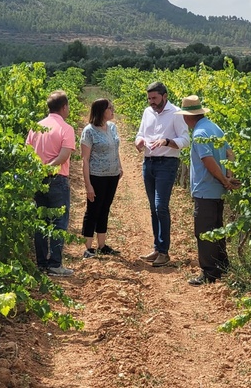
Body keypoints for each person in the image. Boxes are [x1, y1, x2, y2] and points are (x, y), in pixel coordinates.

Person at [175, 95, 241, 285]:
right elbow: (230, 153)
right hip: (218, 190)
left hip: (206, 189)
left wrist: (223, 180)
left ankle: (210, 273)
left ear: (187, 117)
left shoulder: (199, 134)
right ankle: (222, 265)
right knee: (217, 228)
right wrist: (228, 176)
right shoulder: (215, 128)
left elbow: (208, 161)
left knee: (204, 232)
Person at [134, 82, 190, 267]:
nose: (151, 102)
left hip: (167, 164)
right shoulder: (147, 112)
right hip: (148, 162)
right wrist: (139, 141)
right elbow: (140, 134)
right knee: (153, 208)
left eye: (155, 98)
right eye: (149, 98)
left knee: (161, 207)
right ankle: (157, 248)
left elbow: (185, 140)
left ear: (164, 96)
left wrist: (167, 142)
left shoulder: (176, 113)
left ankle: (164, 252)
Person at [26, 90, 76, 277]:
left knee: (40, 222)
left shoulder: (36, 127)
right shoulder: (66, 128)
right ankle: (55, 264)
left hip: (37, 180)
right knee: (58, 223)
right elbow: (63, 157)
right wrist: (48, 167)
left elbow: (28, 154)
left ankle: (41, 263)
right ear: (64, 107)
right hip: (57, 180)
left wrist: (38, 170)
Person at [80, 98, 123, 258]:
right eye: (109, 108)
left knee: (105, 208)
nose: (112, 111)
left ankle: (102, 245)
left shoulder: (112, 127)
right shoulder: (89, 131)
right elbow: (85, 159)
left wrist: (119, 166)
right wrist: (88, 185)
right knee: (93, 210)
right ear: (101, 111)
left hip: (112, 175)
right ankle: (88, 247)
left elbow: (115, 147)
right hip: (96, 176)